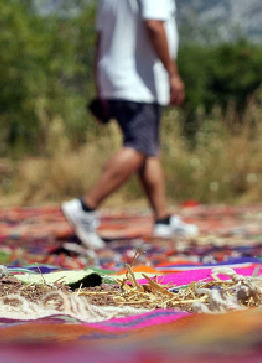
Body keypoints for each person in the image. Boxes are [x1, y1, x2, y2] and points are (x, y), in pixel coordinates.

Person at [61, 0, 199, 249]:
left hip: (114, 76)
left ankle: (163, 220)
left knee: (149, 150)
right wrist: (173, 74)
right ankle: (85, 207)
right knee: (139, 147)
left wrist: (101, 85)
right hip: (139, 80)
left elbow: (100, 40)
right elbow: (155, 25)